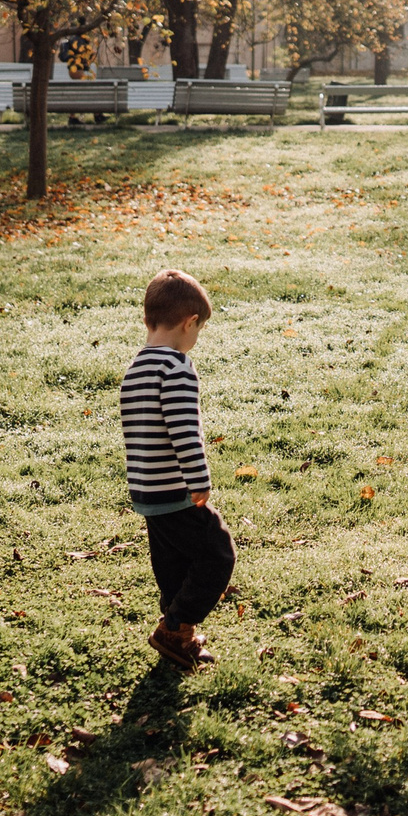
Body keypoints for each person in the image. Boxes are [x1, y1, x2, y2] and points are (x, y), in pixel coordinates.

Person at [122, 269, 235, 671]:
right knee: (217, 554)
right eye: (199, 329)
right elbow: (184, 431)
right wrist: (199, 480)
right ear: (190, 323)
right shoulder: (176, 367)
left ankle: (178, 638)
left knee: (172, 566)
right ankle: (175, 625)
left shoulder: (135, 369)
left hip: (147, 492)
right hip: (175, 490)